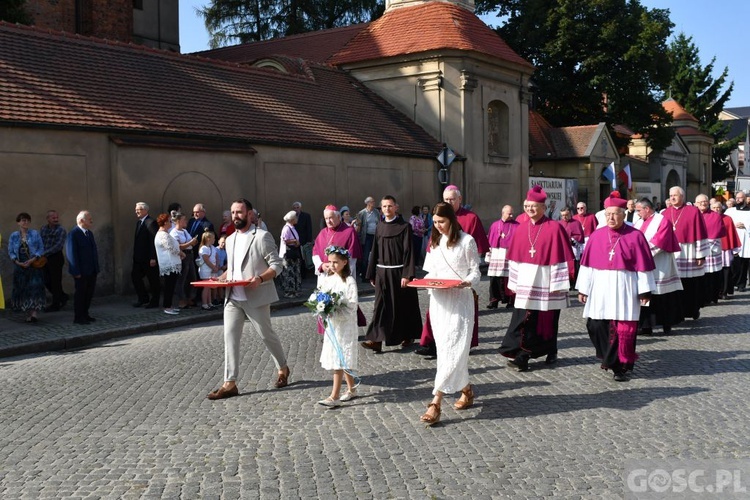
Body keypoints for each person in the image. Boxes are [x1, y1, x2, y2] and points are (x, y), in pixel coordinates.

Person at [207, 198, 290, 400]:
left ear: (250, 214)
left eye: (240, 212)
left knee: (266, 335)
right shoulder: (230, 239)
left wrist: (260, 278)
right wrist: (219, 279)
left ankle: (283, 367)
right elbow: (233, 269)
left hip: (256, 296)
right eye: (233, 212)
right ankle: (230, 383)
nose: (235, 216)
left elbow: (277, 265)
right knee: (230, 338)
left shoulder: (262, 236)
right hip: (233, 298)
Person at [577, 194, 656, 382]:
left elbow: (643, 266)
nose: (611, 218)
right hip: (600, 287)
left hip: (625, 286)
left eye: (615, 214)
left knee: (623, 329)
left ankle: (619, 366)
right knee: (595, 325)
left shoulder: (635, 236)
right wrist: (583, 289)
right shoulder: (596, 235)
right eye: (608, 214)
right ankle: (609, 358)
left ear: (623, 214)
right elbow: (587, 265)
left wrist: (645, 290)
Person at [498, 185, 575, 371]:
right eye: (526, 206)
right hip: (525, 281)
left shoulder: (554, 228)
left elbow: (563, 256)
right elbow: (515, 258)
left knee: (547, 319)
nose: (529, 209)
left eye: (533, 206)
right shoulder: (521, 228)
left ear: (543, 207)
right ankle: (523, 354)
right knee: (526, 318)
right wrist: (514, 283)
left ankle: (550, 349)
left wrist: (559, 282)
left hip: (546, 281)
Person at [418, 202, 482, 426]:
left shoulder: (467, 241)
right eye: (435, 223)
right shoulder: (435, 242)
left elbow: (476, 270)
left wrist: (468, 282)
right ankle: (467, 390)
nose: (438, 226)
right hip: (439, 303)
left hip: (460, 303)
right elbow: (430, 272)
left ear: (452, 220)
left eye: (442, 222)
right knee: (446, 350)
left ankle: (436, 402)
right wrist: (424, 283)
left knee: (454, 349)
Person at [416, 185, 488, 356]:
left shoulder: (471, 218)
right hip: (441, 280)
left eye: (452, 199)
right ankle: (430, 343)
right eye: (446, 199)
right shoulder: (438, 217)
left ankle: (464, 343)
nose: (449, 202)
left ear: (459, 199)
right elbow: (433, 247)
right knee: (434, 314)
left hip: (461, 279)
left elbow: (474, 253)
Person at [361, 196, 422, 353]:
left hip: (399, 272)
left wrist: (407, 274)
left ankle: (407, 335)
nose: (386, 209)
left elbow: (409, 252)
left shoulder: (404, 226)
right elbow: (374, 250)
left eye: (389, 206)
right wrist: (372, 273)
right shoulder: (380, 227)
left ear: (396, 207)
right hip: (382, 272)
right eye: (384, 206)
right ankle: (376, 340)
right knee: (380, 306)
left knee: (402, 306)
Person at [316, 246, 360, 408]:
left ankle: (333, 396)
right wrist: (322, 307)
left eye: (336, 262)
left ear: (344, 262)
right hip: (332, 326)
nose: (332, 265)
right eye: (330, 262)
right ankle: (352, 389)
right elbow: (321, 296)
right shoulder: (328, 279)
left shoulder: (349, 281)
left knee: (340, 359)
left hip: (345, 325)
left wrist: (338, 308)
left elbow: (352, 305)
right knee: (341, 358)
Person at [634, 198, 683, 335]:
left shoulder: (662, 221)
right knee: (645, 292)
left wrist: (641, 253)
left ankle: (666, 324)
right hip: (642, 264)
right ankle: (646, 326)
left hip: (660, 263)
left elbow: (660, 241)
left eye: (639, 210)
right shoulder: (638, 222)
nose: (637, 213)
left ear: (647, 209)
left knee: (662, 295)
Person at [663, 186, 708, 320]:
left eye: (675, 195)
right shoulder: (665, 213)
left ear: (682, 196)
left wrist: (700, 254)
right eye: (671, 195)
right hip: (671, 253)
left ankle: (692, 310)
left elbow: (700, 233)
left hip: (689, 252)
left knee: (690, 284)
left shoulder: (693, 212)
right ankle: (677, 312)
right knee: (674, 285)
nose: (672, 198)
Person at [8, 212, 46, 323]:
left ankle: (34, 313)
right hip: (20, 266)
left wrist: (33, 259)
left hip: (34, 265)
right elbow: (11, 251)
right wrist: (17, 262)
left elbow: (41, 248)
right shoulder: (14, 236)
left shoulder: (35, 233)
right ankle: (28, 313)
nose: (26, 222)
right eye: (23, 220)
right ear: (18, 222)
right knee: (23, 289)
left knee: (35, 288)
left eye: (27, 220)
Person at [66, 211, 99, 325]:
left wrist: (96, 268)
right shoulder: (73, 234)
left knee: (89, 293)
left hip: (91, 270)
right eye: (89, 219)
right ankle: (78, 317)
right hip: (81, 271)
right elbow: (71, 254)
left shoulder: (89, 233)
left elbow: (93, 251)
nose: (91, 221)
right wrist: (75, 271)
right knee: (80, 294)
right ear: (81, 220)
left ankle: (85, 314)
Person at [313, 205, 362, 278]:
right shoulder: (322, 233)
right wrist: (321, 265)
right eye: (326, 218)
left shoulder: (349, 232)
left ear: (339, 217)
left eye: (330, 218)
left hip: (341, 276)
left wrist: (343, 273)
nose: (328, 221)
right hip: (325, 276)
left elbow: (352, 257)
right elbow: (315, 253)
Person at [486, 205, 518, 309]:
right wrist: (488, 256)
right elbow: (490, 242)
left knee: (508, 279)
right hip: (496, 255)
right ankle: (494, 300)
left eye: (512, 213)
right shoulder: (495, 225)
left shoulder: (517, 226)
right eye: (509, 213)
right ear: (503, 213)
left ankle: (510, 301)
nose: (512, 215)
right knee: (494, 279)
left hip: (509, 255)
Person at [696, 194, 726, 305]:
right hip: (697, 249)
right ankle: (701, 297)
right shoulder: (694, 215)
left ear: (708, 203)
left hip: (712, 249)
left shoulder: (715, 216)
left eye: (705, 201)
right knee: (700, 275)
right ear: (695, 204)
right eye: (700, 202)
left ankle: (713, 296)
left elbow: (718, 231)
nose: (702, 204)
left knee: (712, 275)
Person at [154, 213, 184, 315]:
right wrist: (181, 253)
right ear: (166, 222)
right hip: (169, 264)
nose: (171, 223)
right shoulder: (162, 235)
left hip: (172, 263)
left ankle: (169, 305)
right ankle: (167, 306)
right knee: (169, 286)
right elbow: (170, 248)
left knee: (171, 286)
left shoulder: (165, 234)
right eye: (170, 221)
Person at [132, 202, 160, 308]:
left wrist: (153, 257)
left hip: (149, 258)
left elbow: (154, 241)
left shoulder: (151, 222)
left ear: (145, 210)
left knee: (153, 280)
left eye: (138, 209)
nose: (136, 211)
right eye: (136, 209)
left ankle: (155, 301)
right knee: (135, 276)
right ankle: (143, 298)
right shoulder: (139, 223)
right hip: (139, 258)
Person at [40, 209, 69, 311]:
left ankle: (56, 304)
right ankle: (62, 296)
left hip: (55, 258)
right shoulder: (43, 229)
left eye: (57, 217)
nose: (56, 219)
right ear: (48, 219)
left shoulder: (61, 230)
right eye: (53, 218)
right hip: (44, 258)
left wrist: (44, 253)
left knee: (55, 281)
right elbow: (40, 241)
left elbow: (58, 246)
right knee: (46, 280)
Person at [170, 212, 198, 309]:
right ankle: (182, 299)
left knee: (193, 277)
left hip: (190, 255)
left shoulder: (185, 231)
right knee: (182, 278)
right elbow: (178, 246)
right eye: (184, 219)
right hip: (182, 256)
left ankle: (190, 298)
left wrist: (193, 242)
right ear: (178, 221)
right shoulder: (174, 233)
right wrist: (190, 242)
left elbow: (190, 243)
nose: (186, 221)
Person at [714, 199, 741, 299]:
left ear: (722, 209)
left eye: (718, 208)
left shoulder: (727, 219)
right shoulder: (707, 218)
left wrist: (734, 249)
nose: (716, 209)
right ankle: (715, 292)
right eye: (714, 208)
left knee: (726, 270)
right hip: (712, 249)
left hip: (725, 249)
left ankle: (724, 292)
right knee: (715, 272)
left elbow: (731, 233)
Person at [725, 191, 750, 291]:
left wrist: (745, 226)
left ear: (745, 199)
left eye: (740, 198)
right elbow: (725, 222)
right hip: (733, 239)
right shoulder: (730, 211)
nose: (738, 199)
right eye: (737, 197)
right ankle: (733, 282)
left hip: (746, 240)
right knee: (733, 263)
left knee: (744, 263)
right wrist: (734, 225)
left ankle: (741, 284)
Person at [558, 206, 584, 288]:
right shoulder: (559, 223)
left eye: (566, 215)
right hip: (562, 249)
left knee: (574, 266)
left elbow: (579, 235)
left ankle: (574, 284)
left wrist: (573, 239)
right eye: (562, 215)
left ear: (570, 214)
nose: (564, 217)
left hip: (573, 248)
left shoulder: (576, 223)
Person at [279, 210, 302, 298]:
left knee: (295, 271)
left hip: (294, 252)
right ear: (292, 219)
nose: (297, 219)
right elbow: (285, 240)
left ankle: (295, 290)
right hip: (288, 254)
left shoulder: (293, 227)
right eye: (295, 217)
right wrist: (294, 241)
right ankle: (289, 291)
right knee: (289, 272)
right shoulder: (286, 228)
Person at [355, 196, 380, 278]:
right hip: (367, 237)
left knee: (375, 255)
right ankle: (364, 274)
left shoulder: (376, 212)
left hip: (375, 236)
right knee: (365, 256)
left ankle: (373, 274)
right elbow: (359, 225)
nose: (374, 203)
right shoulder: (362, 213)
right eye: (372, 201)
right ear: (368, 203)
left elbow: (379, 223)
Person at [197, 230, 220, 310]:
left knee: (209, 287)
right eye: (213, 238)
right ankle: (204, 304)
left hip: (212, 270)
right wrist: (214, 268)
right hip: (205, 270)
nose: (214, 240)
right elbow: (206, 260)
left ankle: (209, 303)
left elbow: (217, 257)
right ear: (208, 239)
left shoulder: (212, 247)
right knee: (206, 287)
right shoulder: (204, 248)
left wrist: (216, 267)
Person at [292, 201, 314, 279]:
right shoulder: (292, 217)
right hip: (294, 241)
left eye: (297, 208)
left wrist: (309, 240)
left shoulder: (306, 216)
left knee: (304, 258)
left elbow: (309, 228)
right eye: (294, 208)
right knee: (297, 258)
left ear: (300, 208)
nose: (296, 209)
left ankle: (304, 275)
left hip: (303, 240)